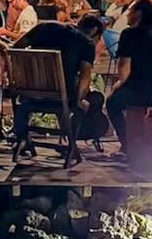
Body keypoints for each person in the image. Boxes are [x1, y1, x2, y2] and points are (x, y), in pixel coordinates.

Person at [11, 15, 107, 156]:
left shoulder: (44, 27)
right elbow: (85, 76)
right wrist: (80, 100)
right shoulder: (86, 42)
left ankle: (22, 139)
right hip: (62, 96)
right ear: (93, 31)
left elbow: (15, 48)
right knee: (91, 99)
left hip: (29, 93)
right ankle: (72, 143)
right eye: (97, 37)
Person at [107, 0, 152, 155]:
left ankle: (129, 146)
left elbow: (123, 67)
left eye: (131, 10)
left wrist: (119, 84)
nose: (128, 13)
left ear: (139, 14)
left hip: (142, 91)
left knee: (113, 103)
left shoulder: (130, 34)